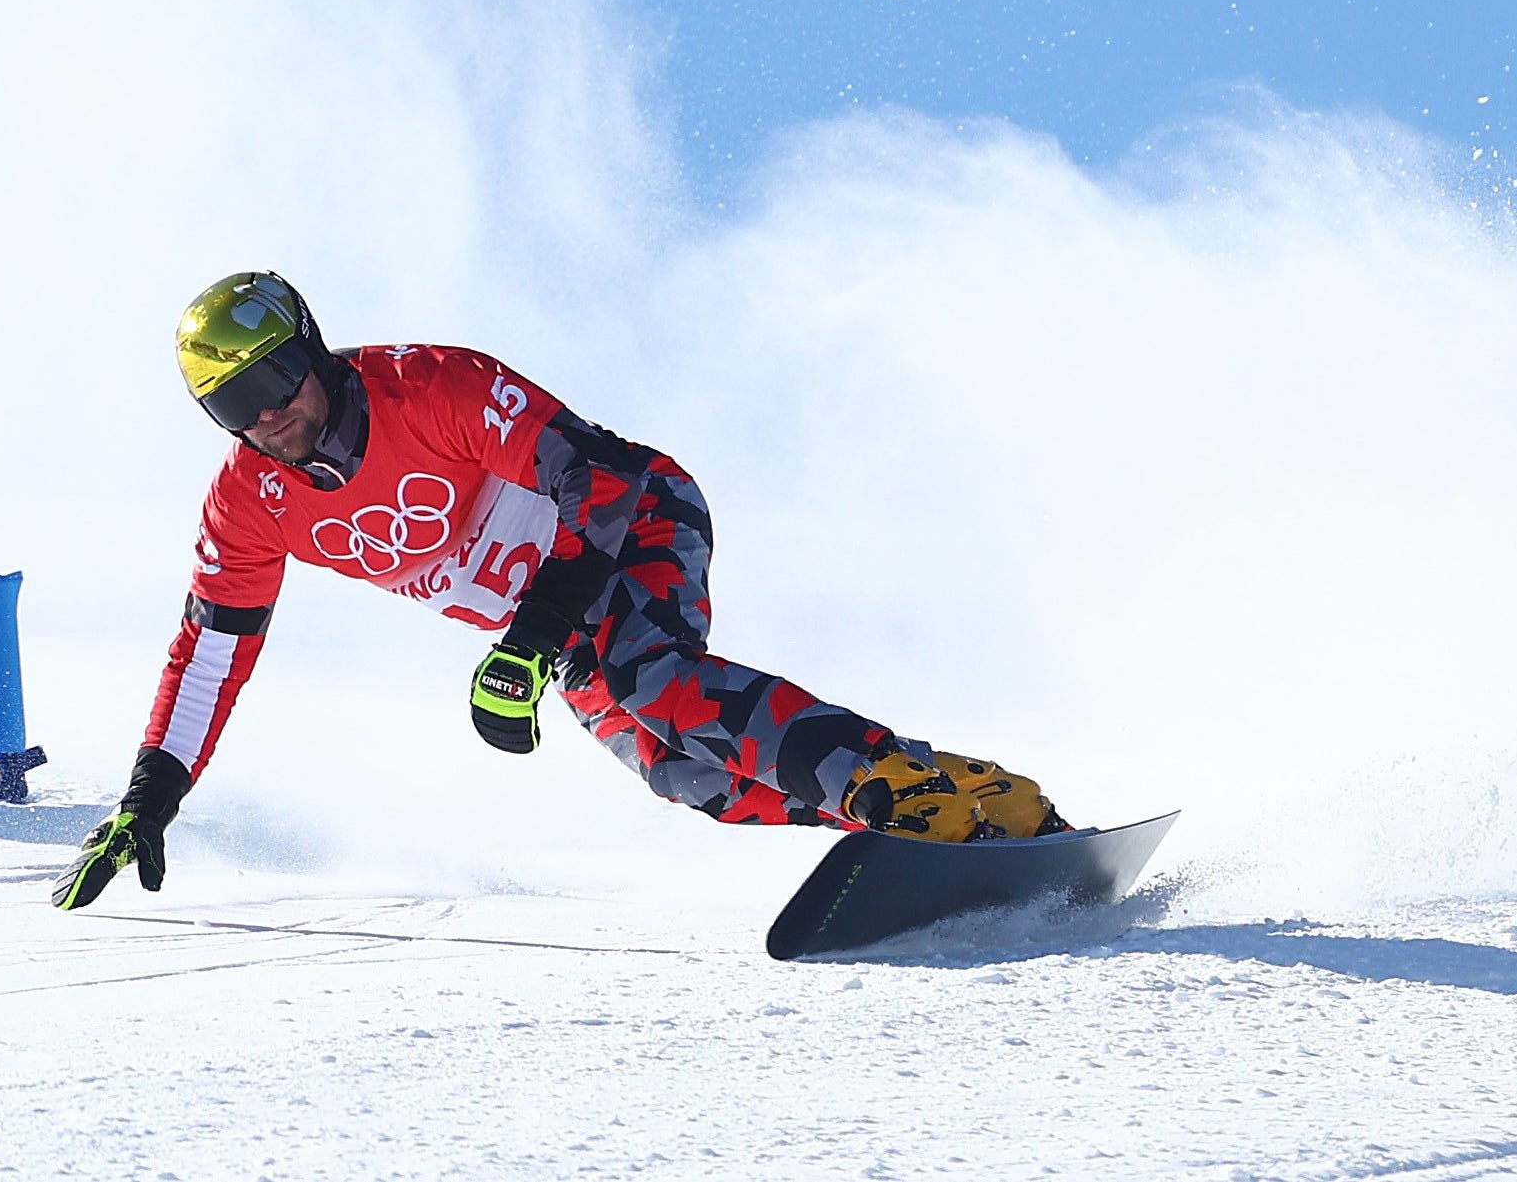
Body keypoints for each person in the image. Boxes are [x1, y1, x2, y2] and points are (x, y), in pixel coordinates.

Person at [52, 272, 1064, 910]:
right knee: (683, 773)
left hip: (635, 520)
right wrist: (150, 796)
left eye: (276, 380)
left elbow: (597, 482)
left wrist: (532, 634)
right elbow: (210, 654)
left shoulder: (432, 384)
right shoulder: (249, 503)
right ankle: (948, 795)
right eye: (233, 404)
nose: (269, 416)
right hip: (550, 625)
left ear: (312, 349)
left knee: (655, 681)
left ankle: (884, 786)